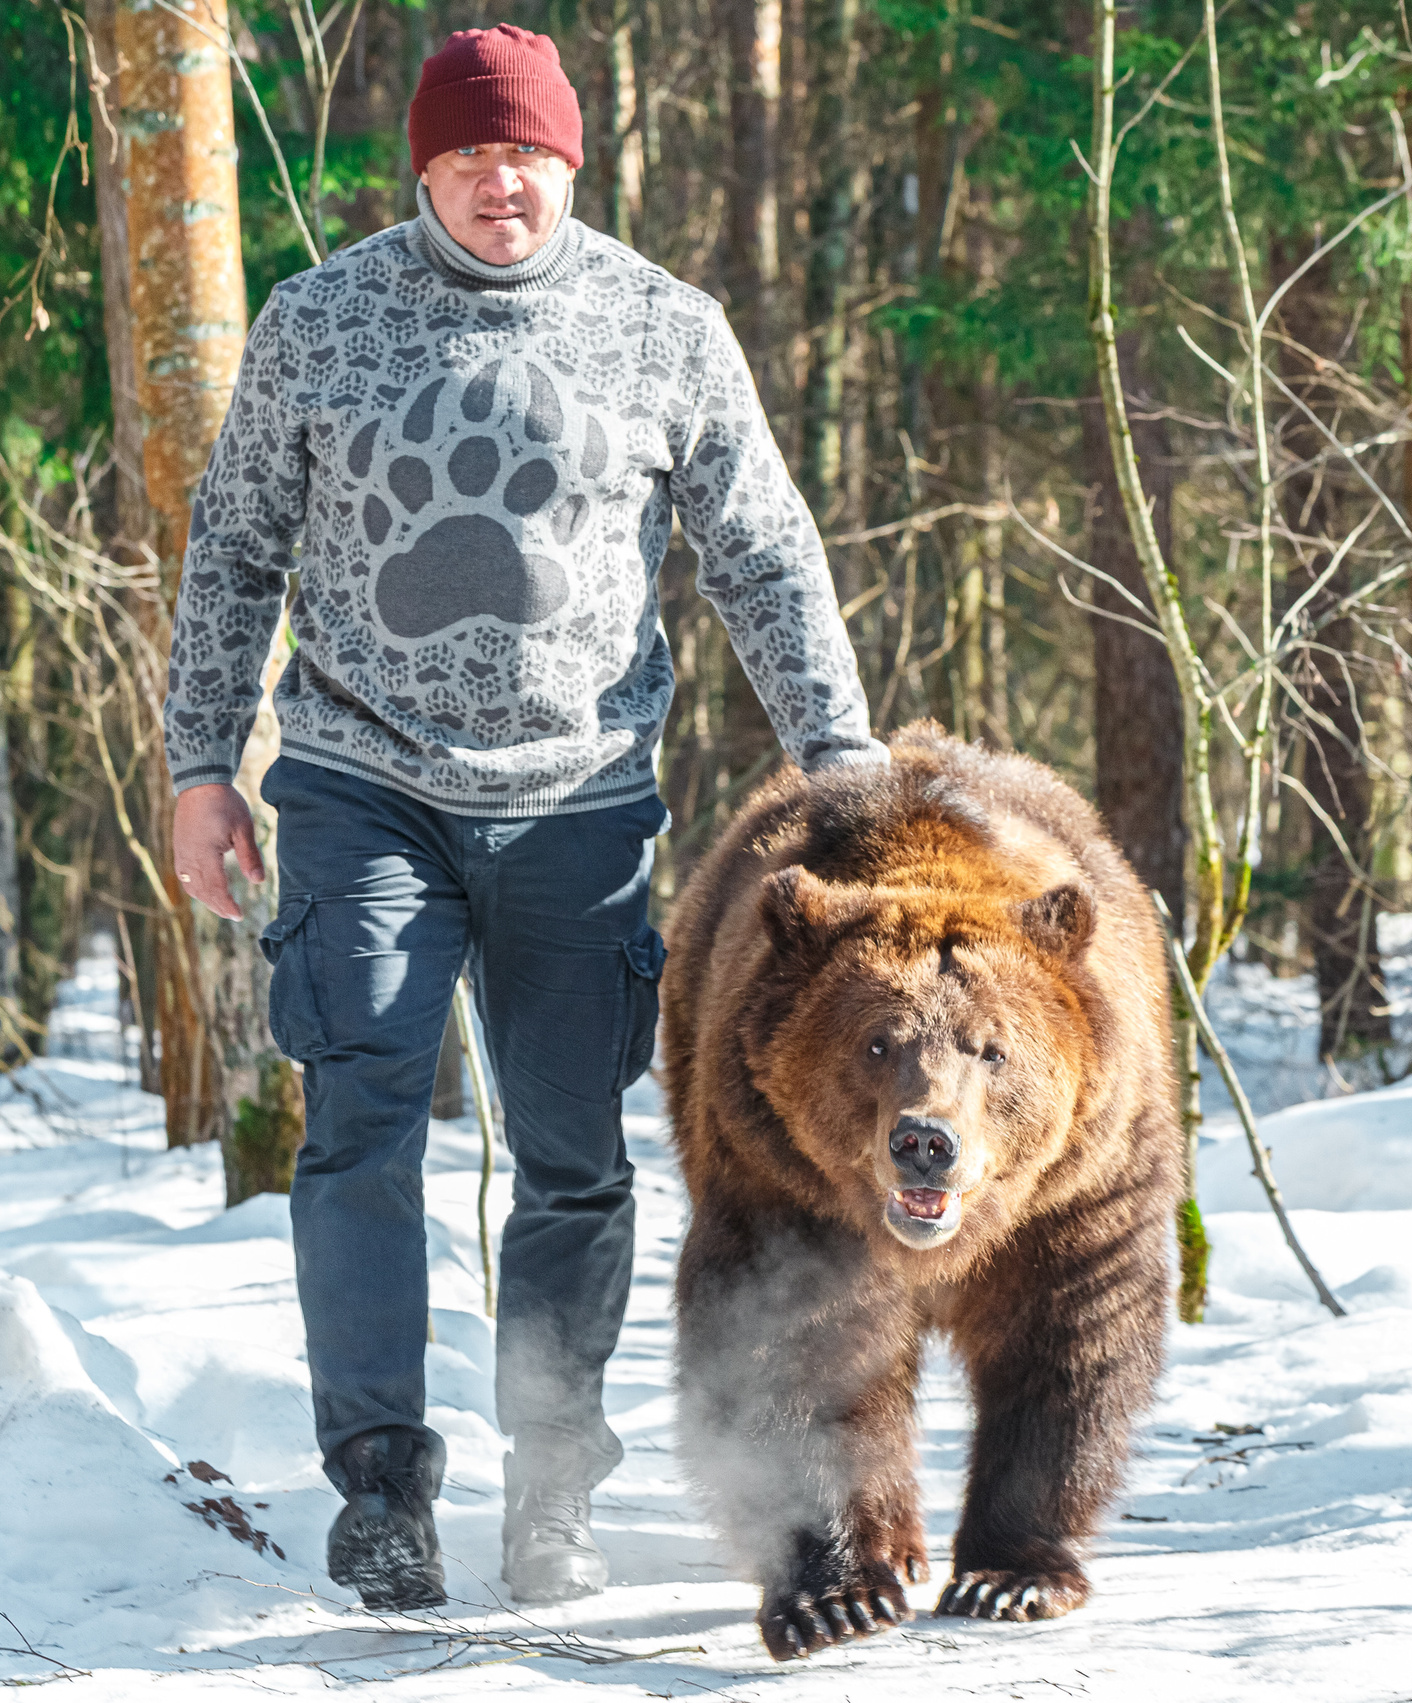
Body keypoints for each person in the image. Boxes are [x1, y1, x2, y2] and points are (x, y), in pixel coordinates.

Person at [162, 22, 882, 1613]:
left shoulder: (662, 325)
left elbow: (762, 552)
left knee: (574, 1157)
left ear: (573, 159)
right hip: (363, 787)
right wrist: (199, 765)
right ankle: (382, 1492)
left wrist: (842, 763)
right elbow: (232, 555)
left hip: (580, 799)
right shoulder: (319, 319)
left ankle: (552, 1486)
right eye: (471, 156)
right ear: (424, 167)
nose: (504, 182)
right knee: (359, 1120)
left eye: (529, 154)